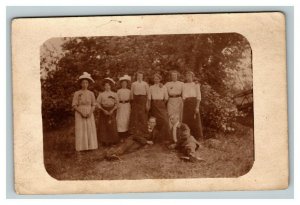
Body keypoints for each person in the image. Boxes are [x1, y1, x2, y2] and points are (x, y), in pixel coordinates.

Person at [72, 72, 98, 151]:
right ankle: (81, 147)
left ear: (88, 84)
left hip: (89, 112)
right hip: (80, 112)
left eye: (86, 83)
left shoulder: (91, 93)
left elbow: (94, 104)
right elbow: (74, 105)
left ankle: (91, 146)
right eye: (83, 83)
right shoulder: (77, 93)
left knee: (89, 128)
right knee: (81, 129)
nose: (85, 84)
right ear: (81, 84)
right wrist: (81, 112)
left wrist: (90, 113)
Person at [97, 77, 120, 146]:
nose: (107, 87)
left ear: (111, 86)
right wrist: (103, 110)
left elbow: (117, 104)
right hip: (103, 111)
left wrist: (112, 110)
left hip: (112, 110)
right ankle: (104, 142)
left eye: (108, 85)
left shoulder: (114, 94)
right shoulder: (101, 94)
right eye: (106, 85)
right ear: (104, 86)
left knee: (111, 125)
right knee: (103, 126)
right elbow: (97, 103)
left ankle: (112, 141)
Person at [148, 73, 171, 142]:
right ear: (153, 80)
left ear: (160, 79)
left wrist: (162, 104)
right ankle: (154, 138)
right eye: (155, 79)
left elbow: (166, 98)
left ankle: (165, 137)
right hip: (154, 105)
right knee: (154, 121)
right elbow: (149, 98)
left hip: (161, 104)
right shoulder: (151, 87)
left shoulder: (163, 87)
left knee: (164, 120)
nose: (156, 80)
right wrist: (149, 105)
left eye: (157, 79)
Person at [182, 71, 204, 140]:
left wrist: (197, 107)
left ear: (192, 77)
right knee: (186, 120)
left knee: (195, 120)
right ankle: (187, 137)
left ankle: (198, 138)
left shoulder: (196, 85)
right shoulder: (184, 85)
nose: (188, 77)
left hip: (193, 103)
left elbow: (199, 97)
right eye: (187, 76)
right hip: (186, 103)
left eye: (189, 76)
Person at [129, 71, 150, 135]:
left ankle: (144, 131)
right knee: (135, 116)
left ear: (142, 77)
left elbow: (148, 94)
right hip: (136, 100)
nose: (139, 77)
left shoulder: (145, 84)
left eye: (141, 76)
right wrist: (132, 103)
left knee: (143, 116)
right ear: (137, 76)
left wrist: (147, 103)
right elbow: (131, 94)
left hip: (143, 100)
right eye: (138, 76)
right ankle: (135, 132)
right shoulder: (134, 84)